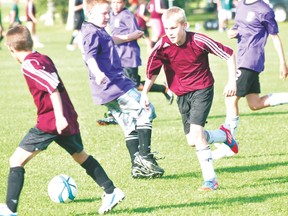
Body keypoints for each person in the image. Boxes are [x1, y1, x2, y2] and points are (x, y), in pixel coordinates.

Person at [0, 25, 124, 215]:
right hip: (67, 116)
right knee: (80, 155)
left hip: (51, 121)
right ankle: (111, 191)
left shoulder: (28, 64)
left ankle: (10, 209)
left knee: (16, 160)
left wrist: (58, 117)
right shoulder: (42, 57)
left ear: (12, 50)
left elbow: (52, 87)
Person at [140, 6, 239, 190]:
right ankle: (224, 135)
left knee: (197, 131)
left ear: (184, 25)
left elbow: (229, 54)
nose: (170, 33)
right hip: (181, 94)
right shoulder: (162, 46)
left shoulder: (198, 40)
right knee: (192, 140)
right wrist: (145, 92)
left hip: (202, 88)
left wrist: (232, 82)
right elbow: (152, 71)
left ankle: (211, 180)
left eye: (174, 28)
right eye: (167, 28)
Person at [79, 0, 164, 179]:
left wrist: (129, 37)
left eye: (109, 13)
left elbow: (110, 40)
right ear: (89, 12)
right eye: (104, 13)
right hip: (114, 85)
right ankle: (146, 158)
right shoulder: (90, 32)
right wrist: (98, 73)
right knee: (146, 109)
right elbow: (89, 56)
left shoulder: (97, 29)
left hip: (105, 91)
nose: (108, 17)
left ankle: (137, 166)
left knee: (129, 124)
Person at [212, 0, 288, 159]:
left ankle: (228, 145)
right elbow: (239, 27)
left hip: (250, 60)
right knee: (255, 103)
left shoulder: (264, 9)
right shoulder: (241, 5)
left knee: (230, 98)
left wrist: (283, 63)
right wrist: (232, 32)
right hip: (242, 58)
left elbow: (275, 37)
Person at [98, 0, 173, 126]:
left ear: (124, 3)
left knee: (130, 86)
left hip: (128, 56)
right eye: (114, 2)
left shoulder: (127, 15)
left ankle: (119, 114)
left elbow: (136, 34)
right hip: (116, 57)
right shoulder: (111, 15)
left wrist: (115, 39)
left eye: (119, 2)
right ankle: (115, 113)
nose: (116, 5)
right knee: (124, 85)